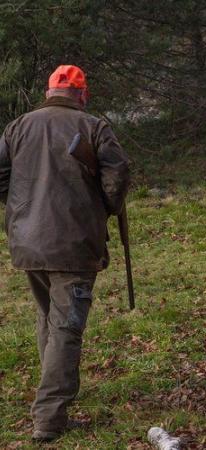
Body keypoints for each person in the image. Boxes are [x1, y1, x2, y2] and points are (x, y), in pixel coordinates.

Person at [0, 65, 130, 441]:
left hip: (28, 243)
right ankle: (49, 418)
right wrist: (102, 208)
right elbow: (117, 175)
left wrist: (20, 210)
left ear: (49, 91)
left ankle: (52, 400)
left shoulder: (18, 126)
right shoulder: (94, 127)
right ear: (82, 94)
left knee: (48, 320)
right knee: (66, 328)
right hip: (73, 245)